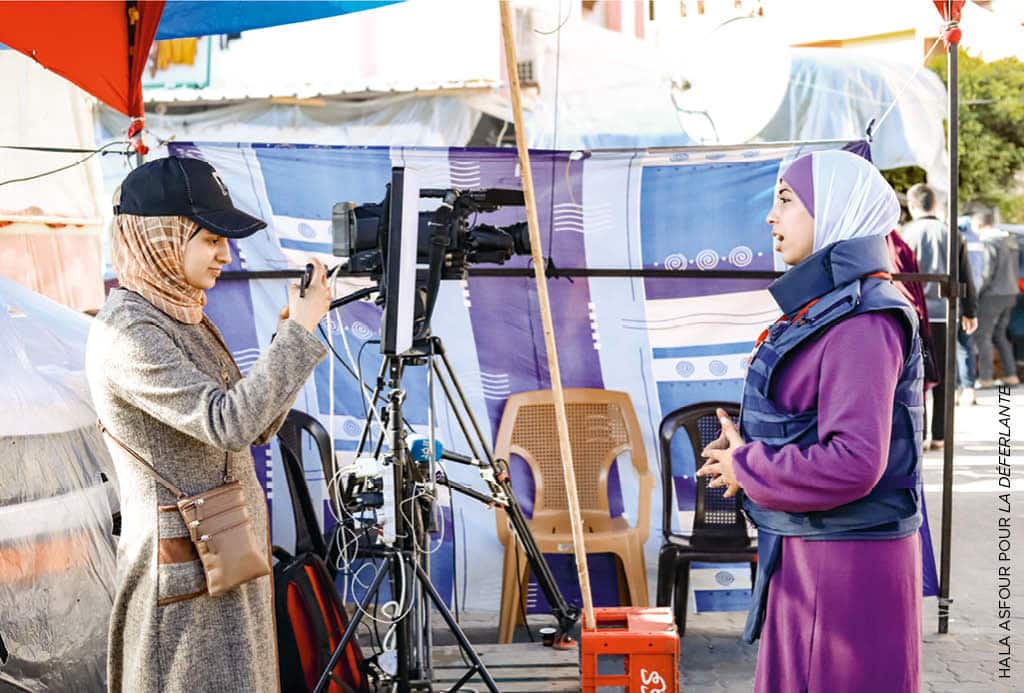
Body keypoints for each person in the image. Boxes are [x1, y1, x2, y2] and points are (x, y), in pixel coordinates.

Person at [86, 157, 331, 691]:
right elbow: (229, 424)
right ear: (161, 238)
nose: (226, 252)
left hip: (220, 563)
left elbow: (256, 425)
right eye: (210, 237)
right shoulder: (127, 331)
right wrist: (299, 336)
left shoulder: (184, 313)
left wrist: (287, 336)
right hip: (180, 581)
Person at [698, 150, 924, 692]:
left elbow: (854, 462)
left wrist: (747, 465)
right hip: (814, 547)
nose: (771, 218)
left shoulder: (862, 322)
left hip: (846, 564)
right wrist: (749, 451)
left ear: (836, 211)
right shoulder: (833, 307)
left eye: (785, 200)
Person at [900, 183, 978, 448]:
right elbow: (964, 275)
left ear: (912, 205)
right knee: (945, 377)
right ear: (934, 204)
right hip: (946, 313)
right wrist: (970, 310)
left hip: (915, 317)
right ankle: (941, 436)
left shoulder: (905, 234)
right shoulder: (952, 233)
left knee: (916, 375)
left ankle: (918, 435)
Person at [972, 207, 1021, 387]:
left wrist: (975, 293)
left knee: (982, 336)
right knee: (1000, 335)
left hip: (992, 294)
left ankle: (985, 378)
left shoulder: (989, 241)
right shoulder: (1010, 240)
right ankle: (1010, 375)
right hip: (1010, 292)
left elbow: (986, 272)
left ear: (979, 223)